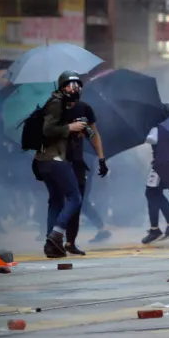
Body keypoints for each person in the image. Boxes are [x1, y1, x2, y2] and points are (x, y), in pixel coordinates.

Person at [33, 71, 88, 259]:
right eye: (70, 86)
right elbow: (48, 130)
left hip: (46, 161)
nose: (74, 89)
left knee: (56, 200)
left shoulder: (62, 104)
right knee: (75, 197)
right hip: (54, 160)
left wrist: (73, 130)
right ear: (62, 86)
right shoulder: (56, 103)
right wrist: (70, 128)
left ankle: (51, 246)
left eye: (77, 86)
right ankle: (57, 233)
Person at [63, 85, 111, 255]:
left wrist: (101, 159)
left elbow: (93, 133)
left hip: (80, 161)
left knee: (79, 199)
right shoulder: (55, 109)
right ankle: (57, 235)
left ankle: (69, 239)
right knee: (66, 200)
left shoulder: (85, 111)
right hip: (59, 162)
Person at [142, 103, 169, 244]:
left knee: (151, 193)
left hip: (160, 165)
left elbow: (150, 139)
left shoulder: (159, 128)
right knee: (155, 193)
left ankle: (156, 229)